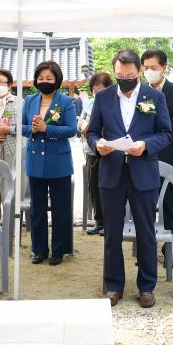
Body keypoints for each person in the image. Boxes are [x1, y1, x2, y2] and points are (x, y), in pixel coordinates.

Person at [87, 49, 171, 308]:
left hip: (142, 170)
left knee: (146, 231)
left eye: (130, 75)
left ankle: (146, 286)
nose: (125, 79)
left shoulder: (154, 96)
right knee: (111, 232)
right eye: (120, 75)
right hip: (111, 171)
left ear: (139, 73)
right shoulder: (103, 98)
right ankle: (114, 285)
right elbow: (91, 132)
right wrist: (98, 144)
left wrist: (145, 145)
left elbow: (166, 133)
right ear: (115, 73)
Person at [22, 61, 77, 266]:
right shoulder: (29, 100)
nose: (44, 82)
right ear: (36, 80)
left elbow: (72, 129)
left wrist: (46, 128)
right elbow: (21, 126)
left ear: (57, 80)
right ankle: (39, 249)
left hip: (59, 162)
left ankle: (59, 250)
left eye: (49, 78)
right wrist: (33, 130)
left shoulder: (66, 101)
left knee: (61, 208)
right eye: (41, 78)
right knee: (37, 208)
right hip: (35, 160)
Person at [142, 49, 173, 234]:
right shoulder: (139, 91)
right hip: (143, 154)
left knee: (168, 201)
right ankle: (146, 242)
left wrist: (158, 120)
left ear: (164, 68)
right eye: (145, 68)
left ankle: (169, 246)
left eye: (153, 67)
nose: (149, 71)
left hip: (169, 153)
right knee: (145, 201)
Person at [80, 71, 114, 236]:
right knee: (93, 186)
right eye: (94, 89)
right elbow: (81, 121)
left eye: (99, 89)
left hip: (109, 149)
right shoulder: (89, 104)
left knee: (108, 186)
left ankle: (110, 222)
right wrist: (83, 126)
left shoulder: (114, 102)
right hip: (92, 150)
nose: (96, 92)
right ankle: (98, 221)